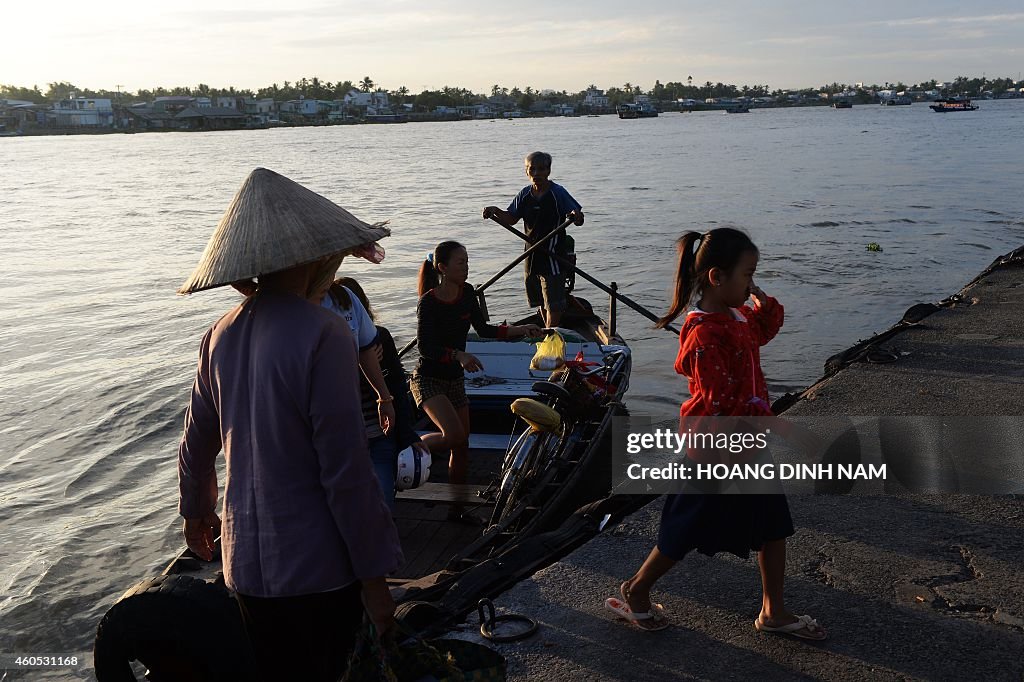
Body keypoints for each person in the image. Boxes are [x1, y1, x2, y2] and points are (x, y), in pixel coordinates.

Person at [177, 168, 403, 681]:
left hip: (245, 567)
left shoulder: (219, 334)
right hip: (318, 568)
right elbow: (344, 471)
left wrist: (197, 513)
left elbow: (195, 447)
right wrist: (374, 577)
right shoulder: (325, 333)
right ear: (316, 256)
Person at [606, 227, 827, 640]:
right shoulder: (705, 333)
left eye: (753, 275)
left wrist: (758, 294)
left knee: (774, 525)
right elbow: (721, 401)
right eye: (747, 275)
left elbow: (766, 326)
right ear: (716, 278)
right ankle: (637, 590)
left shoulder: (735, 317)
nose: (750, 284)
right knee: (684, 529)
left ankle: (773, 611)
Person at [412, 240, 542, 520]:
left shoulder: (468, 293)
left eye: (468, 262)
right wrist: (459, 355)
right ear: (442, 268)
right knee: (454, 435)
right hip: (428, 379)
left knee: (461, 446)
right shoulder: (429, 302)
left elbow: (484, 329)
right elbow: (426, 349)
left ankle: (456, 511)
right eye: (461, 263)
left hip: (454, 381)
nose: (467, 268)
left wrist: (521, 329)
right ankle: (409, 447)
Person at [332, 276, 427, 511]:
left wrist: (405, 433)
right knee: (373, 496)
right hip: (362, 430)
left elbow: (394, 386)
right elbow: (394, 386)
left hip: (368, 429)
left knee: (372, 493)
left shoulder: (376, 338)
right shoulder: (367, 340)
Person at [482, 151, 584, 327]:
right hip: (530, 255)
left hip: (553, 257)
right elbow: (510, 219)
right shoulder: (524, 194)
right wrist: (495, 211)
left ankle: (550, 338)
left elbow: (579, 219)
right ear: (526, 172)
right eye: (533, 169)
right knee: (539, 302)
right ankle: (547, 335)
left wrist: (575, 215)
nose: (537, 173)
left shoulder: (557, 193)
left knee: (554, 304)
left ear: (548, 171)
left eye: (541, 169)